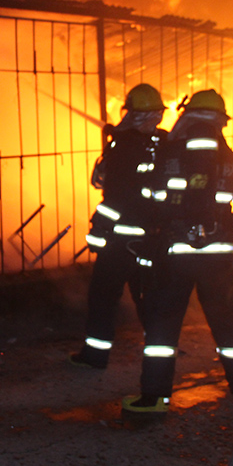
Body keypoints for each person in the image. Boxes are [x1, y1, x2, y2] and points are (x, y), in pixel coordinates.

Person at [122, 89, 233, 414]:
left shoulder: (168, 156)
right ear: (220, 121)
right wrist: (229, 227)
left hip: (173, 257)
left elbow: (148, 200)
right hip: (217, 260)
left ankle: (154, 399)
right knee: (228, 325)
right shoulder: (232, 163)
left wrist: (161, 230)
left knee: (162, 328)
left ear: (187, 118)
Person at [70, 84, 167, 369]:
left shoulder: (124, 146)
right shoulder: (163, 143)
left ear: (130, 112)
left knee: (103, 296)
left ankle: (95, 355)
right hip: (154, 238)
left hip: (121, 240)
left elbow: (116, 197)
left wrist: (99, 229)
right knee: (149, 299)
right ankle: (161, 354)